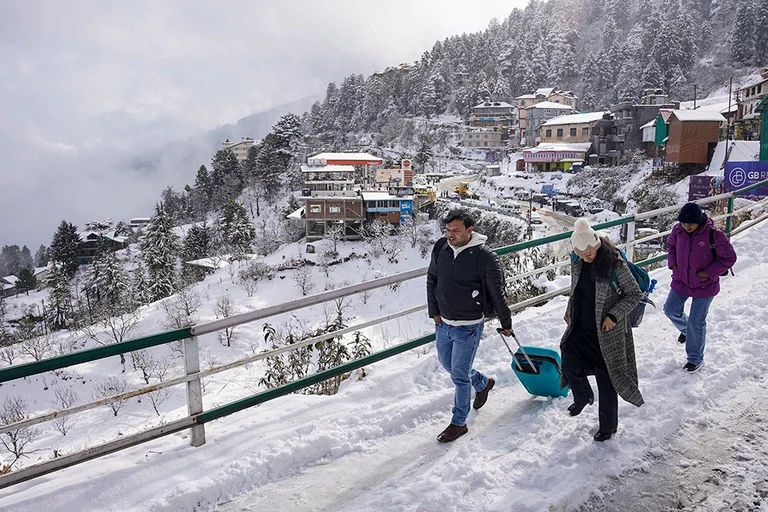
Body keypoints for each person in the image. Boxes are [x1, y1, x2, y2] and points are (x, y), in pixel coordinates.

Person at [427, 209, 512, 443]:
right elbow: (432, 278)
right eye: (447, 230)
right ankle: (483, 383)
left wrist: (506, 322)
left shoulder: (484, 257)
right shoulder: (441, 248)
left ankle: (459, 423)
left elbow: (497, 292)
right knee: (448, 365)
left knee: (460, 376)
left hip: (469, 325)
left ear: (469, 230)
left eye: (455, 230)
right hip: (443, 323)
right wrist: (434, 311)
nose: (450, 234)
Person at [560, 219, 645, 442]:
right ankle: (583, 396)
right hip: (581, 325)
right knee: (568, 362)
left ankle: (608, 427)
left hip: (608, 332)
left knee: (607, 380)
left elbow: (634, 294)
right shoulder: (577, 261)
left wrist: (614, 316)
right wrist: (570, 310)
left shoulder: (614, 264)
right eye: (582, 252)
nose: (587, 256)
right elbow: (575, 290)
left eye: (590, 251)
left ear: (597, 244)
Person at [664, 202, 737, 373]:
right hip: (681, 280)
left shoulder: (714, 235)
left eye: (690, 223)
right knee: (670, 310)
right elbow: (671, 246)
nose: (687, 226)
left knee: (697, 322)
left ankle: (695, 359)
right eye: (683, 222)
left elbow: (729, 258)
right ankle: (688, 331)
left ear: (699, 221)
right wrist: (673, 264)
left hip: (705, 285)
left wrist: (708, 273)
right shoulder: (678, 230)